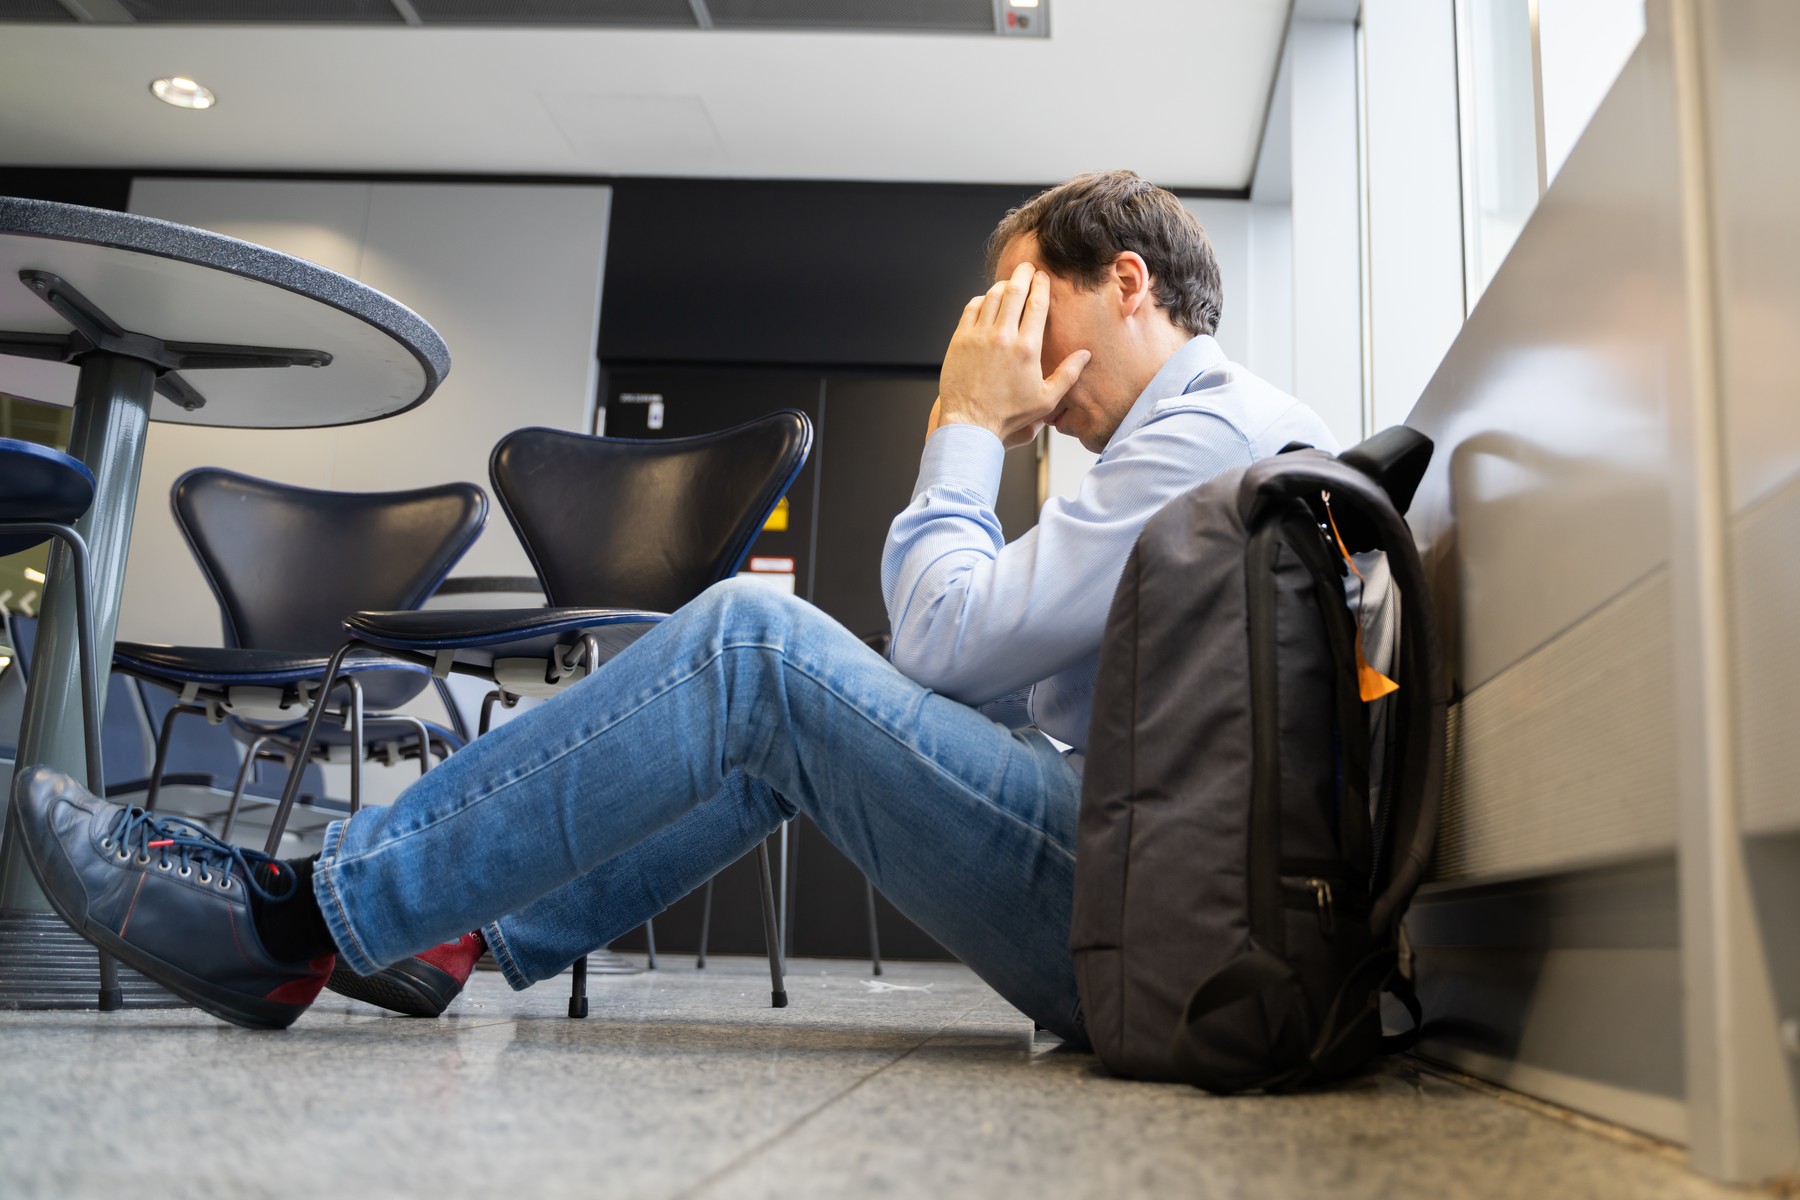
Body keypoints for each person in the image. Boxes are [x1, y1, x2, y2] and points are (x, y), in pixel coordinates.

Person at [11, 170, 1337, 1035]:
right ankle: (457, 928)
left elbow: (939, 645)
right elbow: (961, 679)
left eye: (1022, 305)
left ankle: (290, 924)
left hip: (1153, 930)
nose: (1009, 344)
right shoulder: (1204, 441)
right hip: (1151, 902)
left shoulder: (1205, 434)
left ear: (1129, 281)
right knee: (780, 724)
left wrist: (960, 427)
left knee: (757, 648)